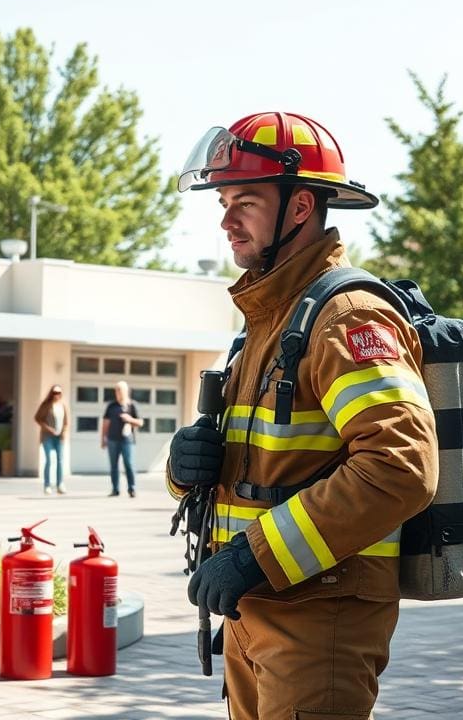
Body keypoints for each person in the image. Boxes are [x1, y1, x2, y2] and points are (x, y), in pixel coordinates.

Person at [166, 112, 439, 717]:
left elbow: (401, 466)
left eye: (246, 200)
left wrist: (253, 555)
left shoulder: (348, 318)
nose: (225, 218)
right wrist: (185, 468)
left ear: (299, 207)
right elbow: (267, 458)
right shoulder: (270, 318)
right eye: (223, 200)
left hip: (318, 618)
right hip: (255, 608)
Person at [101, 380, 142, 498]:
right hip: (112, 439)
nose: (118, 392)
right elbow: (105, 423)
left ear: (126, 391)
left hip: (127, 441)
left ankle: (132, 489)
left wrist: (129, 419)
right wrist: (103, 439)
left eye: (120, 390)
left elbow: (140, 422)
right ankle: (115, 489)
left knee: (129, 464)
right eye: (116, 390)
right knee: (113, 465)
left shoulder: (132, 405)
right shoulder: (111, 406)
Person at [34, 384, 69, 494]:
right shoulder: (46, 405)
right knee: (49, 460)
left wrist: (63, 433)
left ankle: (60, 484)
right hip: (47, 436)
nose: (56, 395)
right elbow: (37, 418)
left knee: (60, 460)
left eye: (58, 393)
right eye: (54, 393)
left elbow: (66, 422)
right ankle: (47, 485)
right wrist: (48, 429)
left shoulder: (63, 405)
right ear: (51, 393)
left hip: (59, 437)